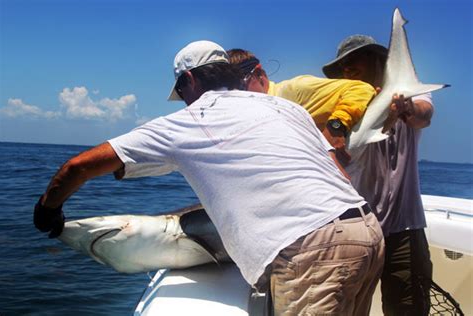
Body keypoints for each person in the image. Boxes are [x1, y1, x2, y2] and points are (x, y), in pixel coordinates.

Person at [34, 40, 384, 315]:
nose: (182, 102)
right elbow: (338, 173)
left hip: (312, 249)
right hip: (366, 231)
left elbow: (77, 167)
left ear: (189, 80)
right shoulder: (286, 108)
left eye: (181, 93)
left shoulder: (192, 119)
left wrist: (49, 209)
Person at [323, 34, 434, 316]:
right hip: (354, 230)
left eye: (353, 59)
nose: (347, 68)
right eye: (341, 65)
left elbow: (425, 114)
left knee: (408, 309)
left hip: (403, 229)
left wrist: (405, 109)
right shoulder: (337, 108)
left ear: (377, 60)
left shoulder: (407, 92)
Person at [228, 48, 376, 165]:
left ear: (260, 73)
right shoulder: (249, 118)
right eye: (230, 90)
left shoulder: (292, 90)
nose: (238, 93)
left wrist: (335, 128)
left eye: (241, 84)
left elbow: (360, 88)